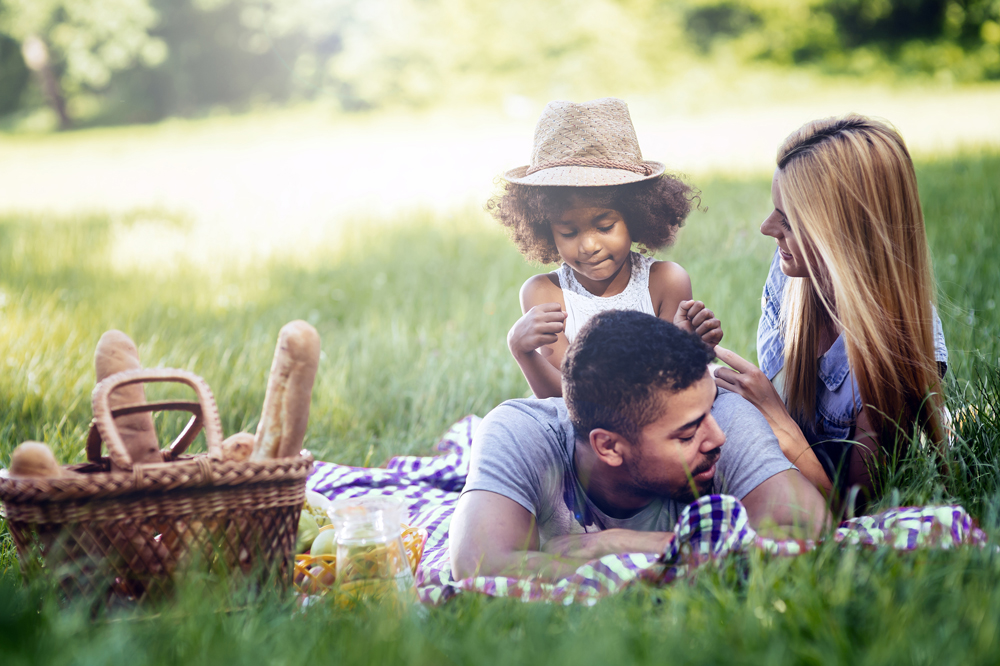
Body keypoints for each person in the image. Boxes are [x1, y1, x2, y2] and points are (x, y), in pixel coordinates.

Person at [449, 310, 828, 582]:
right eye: (686, 435)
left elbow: (810, 530)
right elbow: (477, 564)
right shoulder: (522, 433)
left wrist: (613, 545)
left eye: (709, 411)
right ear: (609, 447)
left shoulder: (723, 415)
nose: (717, 438)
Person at [712, 114, 949, 498]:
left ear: (843, 237)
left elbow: (852, 512)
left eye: (789, 221)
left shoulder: (892, 362)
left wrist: (777, 421)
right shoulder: (792, 272)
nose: (767, 228)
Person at [487, 98, 722, 399]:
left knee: (731, 401)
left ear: (637, 217)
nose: (589, 246)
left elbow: (669, 389)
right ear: (545, 229)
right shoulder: (545, 293)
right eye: (569, 232)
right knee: (505, 419)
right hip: (578, 419)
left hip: (659, 413)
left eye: (605, 227)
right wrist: (522, 351)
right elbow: (565, 398)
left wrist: (693, 348)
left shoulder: (665, 281)